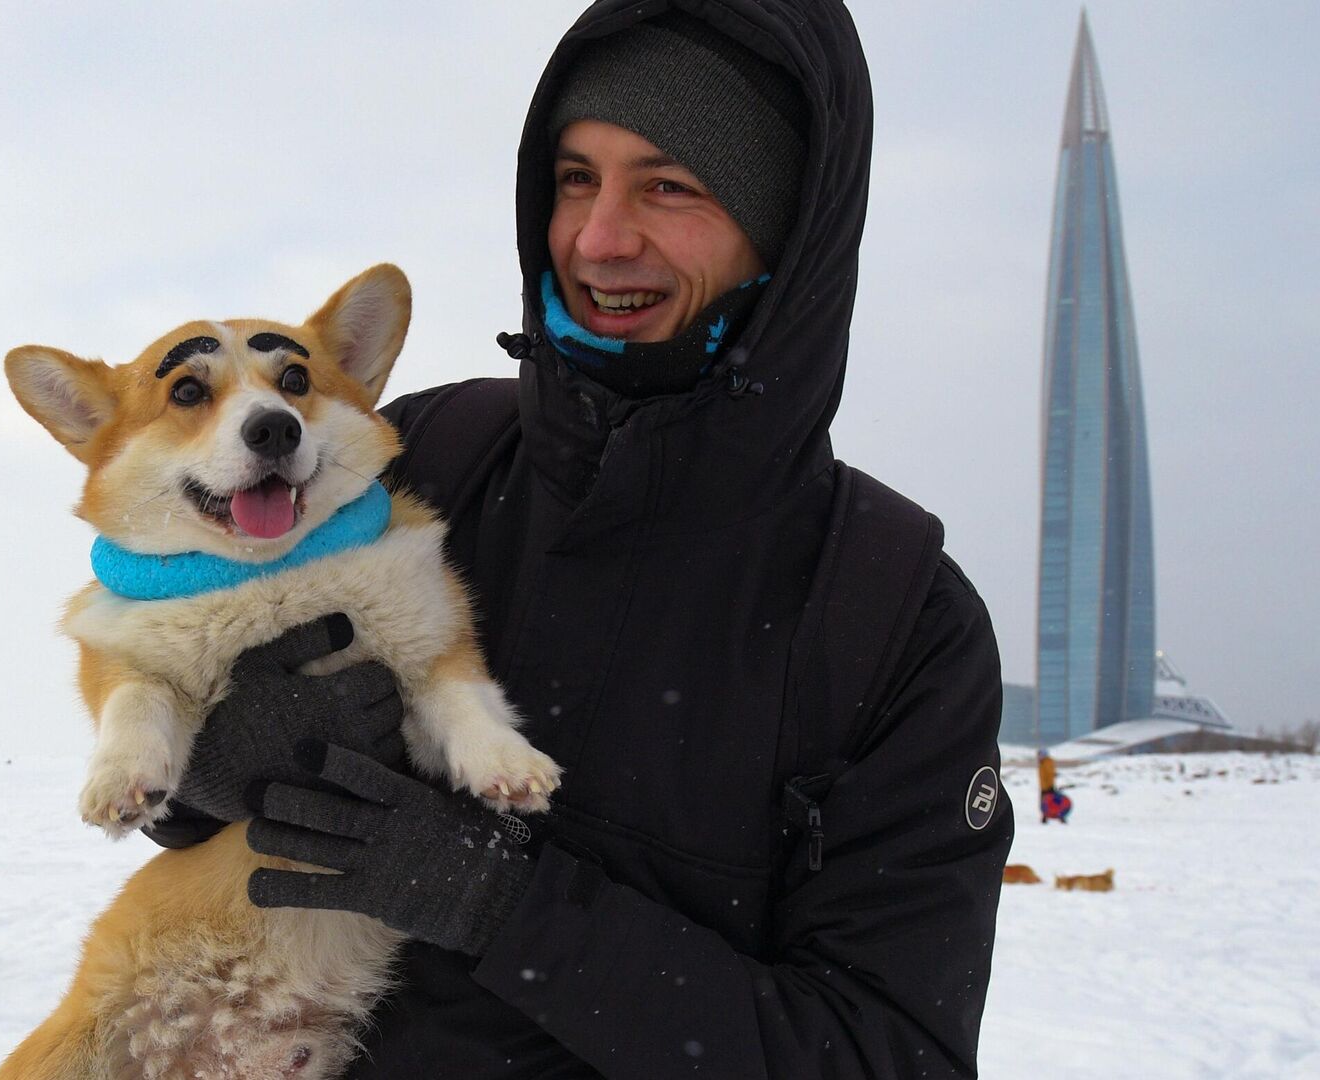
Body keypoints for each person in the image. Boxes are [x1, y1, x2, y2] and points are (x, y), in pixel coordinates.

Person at [146, 2, 1015, 1076]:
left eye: (670, 186)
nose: (599, 239)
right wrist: (215, 759)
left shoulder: (893, 617)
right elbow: (193, 803)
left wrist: (509, 907)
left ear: (784, 232)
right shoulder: (424, 454)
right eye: (573, 178)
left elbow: (889, 1056)